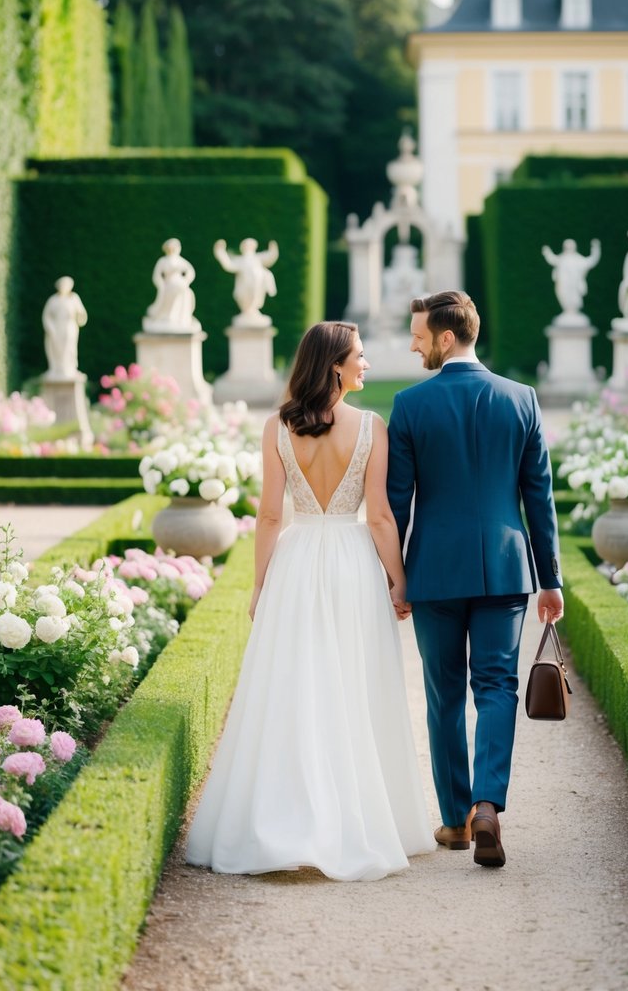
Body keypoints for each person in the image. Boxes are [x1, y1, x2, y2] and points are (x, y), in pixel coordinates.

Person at [186, 321, 435, 880]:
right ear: (335, 367)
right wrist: (398, 580)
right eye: (360, 357)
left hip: (297, 563)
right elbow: (380, 516)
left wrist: (259, 583)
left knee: (294, 685)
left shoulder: (277, 425)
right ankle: (364, 819)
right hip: (351, 563)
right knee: (355, 684)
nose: (367, 365)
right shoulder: (372, 427)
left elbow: (271, 515)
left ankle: (286, 815)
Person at [387, 291, 563, 869]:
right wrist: (550, 579)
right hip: (506, 567)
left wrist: (393, 577)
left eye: (418, 334)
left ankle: (456, 822)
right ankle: (488, 805)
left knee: (443, 694)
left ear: (444, 337)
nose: (413, 343)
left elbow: (397, 504)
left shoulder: (410, 405)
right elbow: (539, 497)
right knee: (495, 687)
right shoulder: (523, 399)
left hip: (434, 570)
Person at [213, 237, 279, 326]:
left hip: (256, 284)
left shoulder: (258, 258)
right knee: (244, 296)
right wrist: (220, 252)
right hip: (244, 285)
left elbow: (270, 257)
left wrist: (273, 248)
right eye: (246, 245)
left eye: (250, 245)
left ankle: (253, 311)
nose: (248, 247)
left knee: (255, 295)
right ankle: (248, 311)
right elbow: (228, 265)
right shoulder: (240, 260)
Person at [144, 238, 200, 332]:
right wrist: (161, 285)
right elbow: (156, 276)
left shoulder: (180, 260)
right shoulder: (163, 261)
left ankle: (181, 319)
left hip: (181, 286)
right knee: (167, 302)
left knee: (185, 295)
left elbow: (191, 271)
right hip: (168, 286)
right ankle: (168, 318)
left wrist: (186, 281)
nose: (172, 250)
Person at [541, 237, 601, 323]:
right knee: (563, 295)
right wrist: (547, 253)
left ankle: (572, 311)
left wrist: (596, 249)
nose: (569, 248)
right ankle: (568, 311)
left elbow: (591, 261)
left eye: (570, 246)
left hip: (574, 284)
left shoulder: (578, 260)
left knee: (573, 296)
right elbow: (553, 259)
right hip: (563, 284)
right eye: (567, 247)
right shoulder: (562, 259)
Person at [42, 276, 87, 379]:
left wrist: (79, 316)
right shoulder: (53, 300)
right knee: (55, 348)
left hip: (69, 327)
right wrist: (50, 328)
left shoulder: (74, 298)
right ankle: (55, 369)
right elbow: (46, 316)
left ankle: (69, 369)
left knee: (68, 348)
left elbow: (82, 314)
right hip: (56, 327)